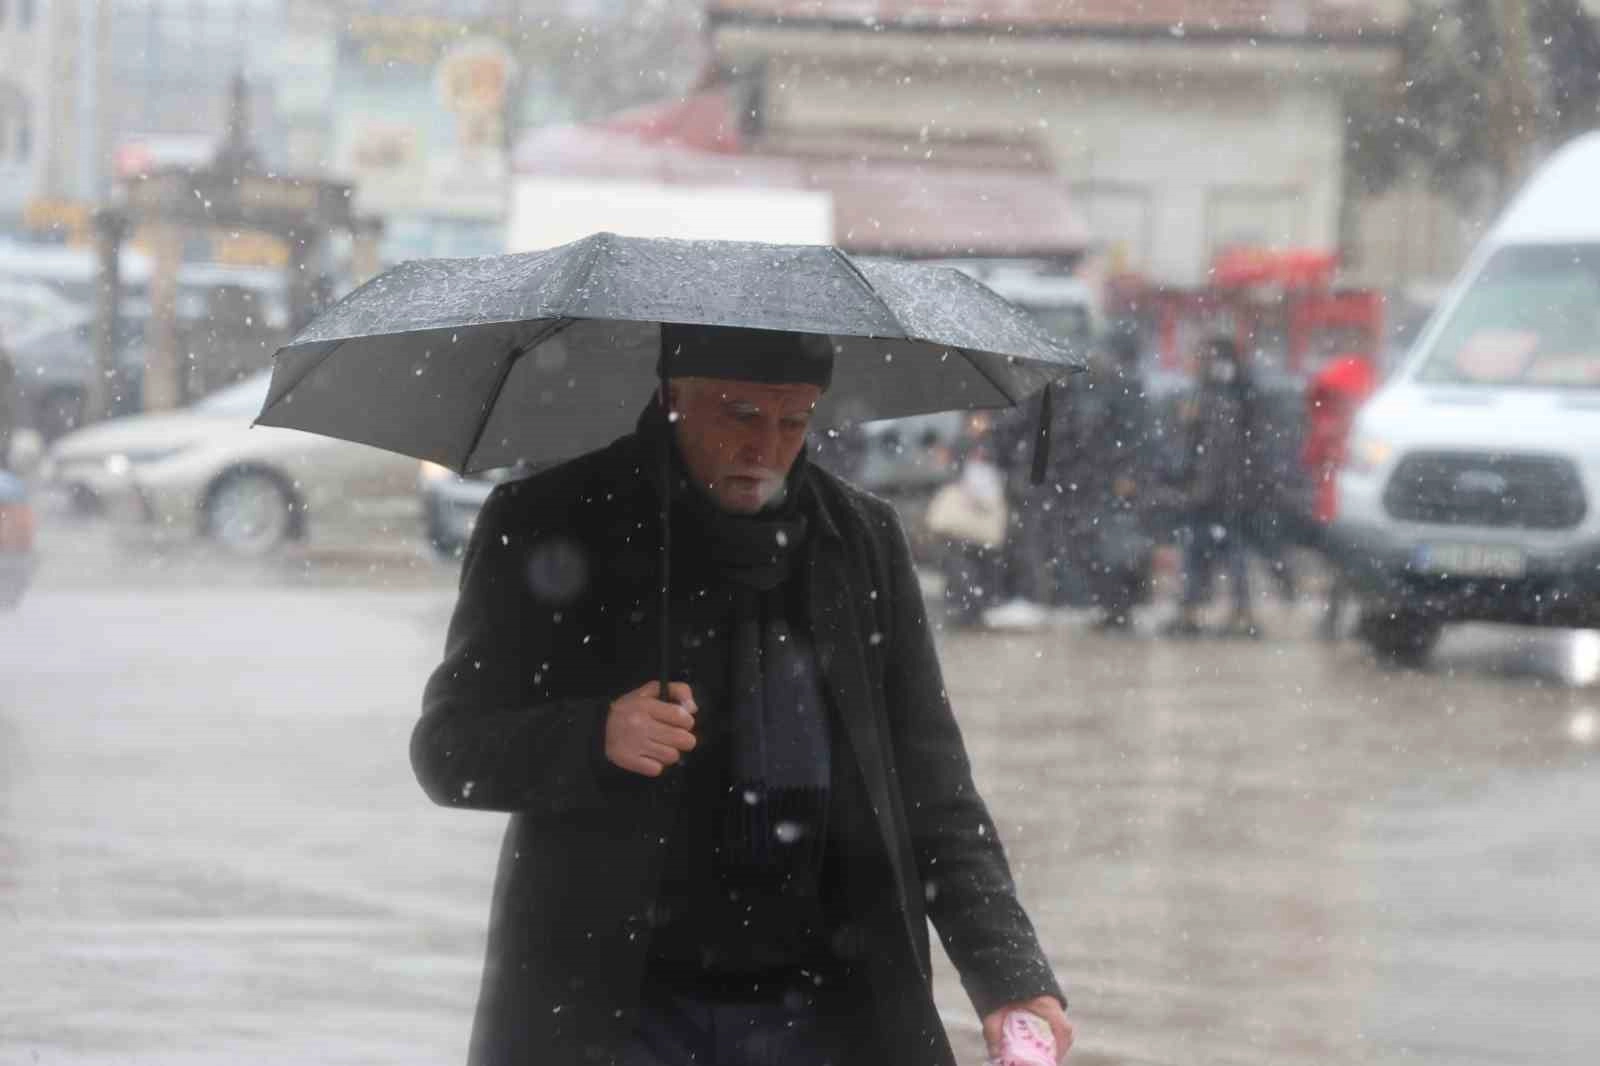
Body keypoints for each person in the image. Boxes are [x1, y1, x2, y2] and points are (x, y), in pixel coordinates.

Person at [413, 323, 1072, 1066]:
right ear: (675, 396)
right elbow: (448, 750)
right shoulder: (549, 523)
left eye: (795, 421)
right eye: (741, 415)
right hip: (611, 1006)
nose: (766, 447)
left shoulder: (860, 540)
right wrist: (595, 735)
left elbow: (932, 786)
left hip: (826, 1003)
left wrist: (1011, 977)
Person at [1163, 335, 1260, 638]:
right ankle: (1210, 611)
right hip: (1221, 490)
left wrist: (1199, 489)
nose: (1196, 362)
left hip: (1217, 492)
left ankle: (1214, 613)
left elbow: (1216, 450)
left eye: (1203, 357)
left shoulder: (1218, 399)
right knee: (1214, 551)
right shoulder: (1217, 395)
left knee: (1214, 551)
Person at [1301, 350, 1377, 639]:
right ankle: (1349, 618)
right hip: (1345, 507)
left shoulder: (1329, 422)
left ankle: (1336, 619)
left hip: (1337, 506)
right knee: (1345, 568)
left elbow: (1310, 458)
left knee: (1338, 568)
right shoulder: (1357, 425)